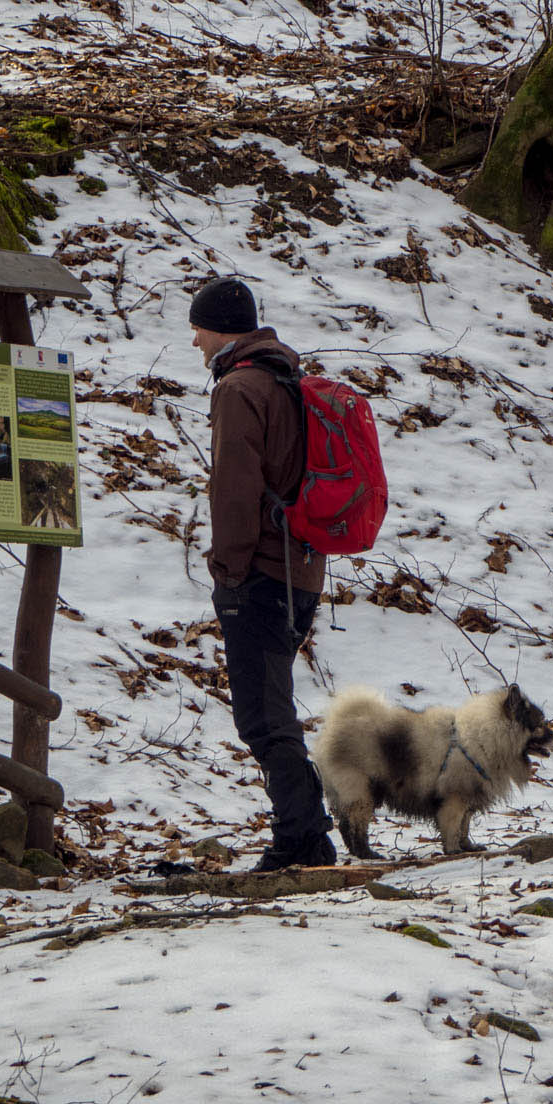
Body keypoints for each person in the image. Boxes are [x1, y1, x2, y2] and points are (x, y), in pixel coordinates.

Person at [190, 276, 337, 871]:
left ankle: (300, 838)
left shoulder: (238, 388)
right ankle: (306, 834)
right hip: (300, 570)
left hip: (259, 573)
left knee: (262, 715)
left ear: (222, 327)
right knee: (272, 706)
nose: (195, 339)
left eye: (198, 326)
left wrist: (227, 573)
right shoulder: (289, 381)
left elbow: (234, 492)